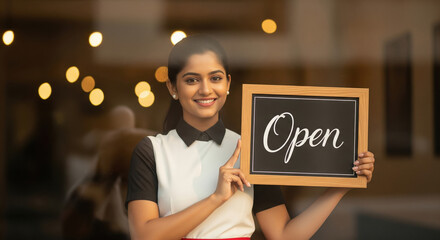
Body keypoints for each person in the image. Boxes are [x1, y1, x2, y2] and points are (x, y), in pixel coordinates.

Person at [125, 35, 375, 240]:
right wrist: (216, 198)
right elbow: (144, 235)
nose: (205, 89)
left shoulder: (253, 149)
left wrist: (341, 187)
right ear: (172, 88)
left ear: (228, 83)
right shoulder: (152, 151)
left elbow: (284, 236)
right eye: (191, 80)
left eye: (215, 78)